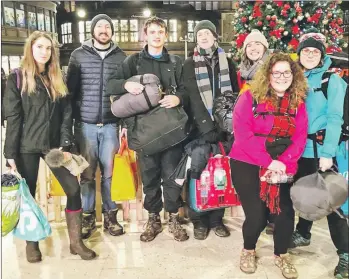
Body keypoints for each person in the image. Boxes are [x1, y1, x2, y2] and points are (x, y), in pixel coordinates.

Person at [3, 31, 96, 263]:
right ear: (30, 49)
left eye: (48, 48)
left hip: (54, 146)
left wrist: (65, 142)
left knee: (73, 190)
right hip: (26, 146)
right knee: (29, 195)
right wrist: (9, 154)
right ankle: (31, 244)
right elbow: (13, 118)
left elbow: (66, 113)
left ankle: (75, 242)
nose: (44, 52)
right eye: (39, 47)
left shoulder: (56, 77)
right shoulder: (17, 78)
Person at [106, 16, 189, 242]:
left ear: (166, 35)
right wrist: (125, 84)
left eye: (160, 32)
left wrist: (178, 98)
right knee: (150, 177)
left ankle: (172, 217)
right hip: (144, 132)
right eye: (152, 32)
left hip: (171, 130)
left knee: (172, 177)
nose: (156, 35)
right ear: (145, 35)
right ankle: (153, 218)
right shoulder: (132, 62)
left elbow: (187, 89)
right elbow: (110, 85)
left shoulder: (176, 62)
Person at [229, 53, 308, 279]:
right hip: (248, 161)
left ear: (294, 76)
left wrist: (284, 163)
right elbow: (242, 135)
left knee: (285, 212)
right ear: (268, 75)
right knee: (257, 215)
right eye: (276, 72)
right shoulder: (250, 98)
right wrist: (268, 161)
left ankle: (281, 254)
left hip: (283, 163)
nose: (282, 77)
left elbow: (300, 136)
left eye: (286, 72)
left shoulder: (297, 103)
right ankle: (248, 249)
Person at [290, 29, 348, 279]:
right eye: (306, 50)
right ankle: (303, 233)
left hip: (322, 150)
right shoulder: (293, 77)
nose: (310, 54)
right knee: (305, 193)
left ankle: (345, 254)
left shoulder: (331, 80)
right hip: (298, 150)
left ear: (322, 54)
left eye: (315, 51)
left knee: (331, 203)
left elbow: (336, 118)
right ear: (300, 53)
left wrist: (327, 153)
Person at [66, 14, 127, 239]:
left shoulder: (121, 57)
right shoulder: (78, 55)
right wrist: (69, 125)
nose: (104, 30)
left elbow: (126, 94)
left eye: (107, 26)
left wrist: (124, 124)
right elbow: (69, 93)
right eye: (99, 26)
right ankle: (88, 216)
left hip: (111, 125)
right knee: (87, 174)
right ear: (92, 30)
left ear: (112, 31)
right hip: (85, 126)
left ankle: (111, 217)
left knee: (110, 174)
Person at [182, 20, 239, 240]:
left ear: (215, 36)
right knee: (198, 172)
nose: (203, 36)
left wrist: (226, 124)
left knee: (220, 172)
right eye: (199, 34)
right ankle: (199, 220)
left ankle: (216, 219)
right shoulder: (189, 63)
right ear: (196, 39)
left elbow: (233, 94)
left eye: (207, 32)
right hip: (199, 129)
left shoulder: (228, 62)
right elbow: (192, 97)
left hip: (224, 128)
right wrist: (206, 126)